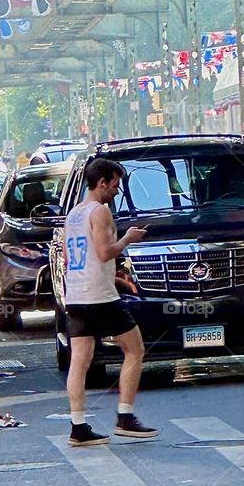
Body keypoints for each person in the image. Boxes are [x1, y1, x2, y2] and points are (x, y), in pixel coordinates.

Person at [63, 157, 158, 446]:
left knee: (79, 361)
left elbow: (72, 259)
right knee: (135, 349)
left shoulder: (73, 214)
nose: (117, 191)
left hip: (76, 294)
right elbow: (105, 253)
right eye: (115, 185)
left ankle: (78, 426)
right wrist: (129, 238)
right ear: (101, 183)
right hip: (99, 298)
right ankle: (125, 417)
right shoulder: (100, 211)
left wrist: (111, 278)